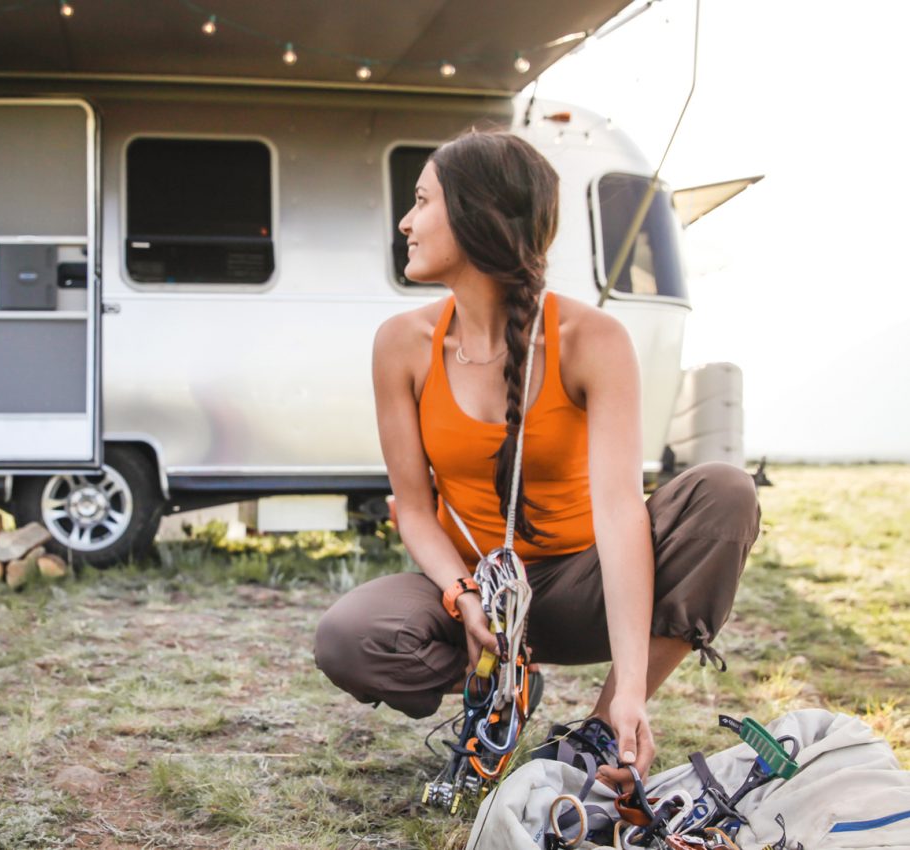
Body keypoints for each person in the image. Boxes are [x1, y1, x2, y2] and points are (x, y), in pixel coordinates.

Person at [314, 130, 760, 787]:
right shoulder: (401, 344)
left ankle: (603, 731)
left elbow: (620, 513)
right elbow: (412, 509)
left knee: (725, 491)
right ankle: (504, 683)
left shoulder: (591, 339)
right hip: (478, 591)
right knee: (348, 638)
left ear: (477, 216)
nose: (406, 222)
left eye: (422, 201)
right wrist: (462, 596)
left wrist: (629, 687)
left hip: (582, 589)